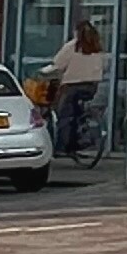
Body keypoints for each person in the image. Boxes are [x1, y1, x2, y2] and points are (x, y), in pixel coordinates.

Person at [43, 19, 110, 156]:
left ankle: (62, 146)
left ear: (76, 32)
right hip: (91, 87)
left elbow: (58, 64)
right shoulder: (97, 47)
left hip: (72, 86)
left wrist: (43, 72)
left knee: (64, 114)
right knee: (76, 112)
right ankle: (80, 130)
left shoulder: (72, 46)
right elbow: (105, 66)